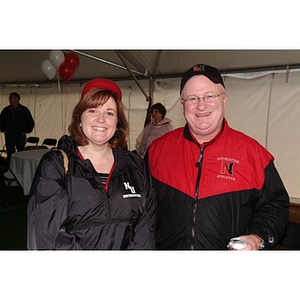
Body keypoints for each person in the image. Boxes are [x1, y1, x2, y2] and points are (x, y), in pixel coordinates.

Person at [146, 63, 289, 250]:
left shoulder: (252, 154)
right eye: (192, 98)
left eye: (209, 96)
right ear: (183, 104)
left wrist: (257, 237)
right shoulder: (157, 150)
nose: (201, 105)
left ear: (224, 100)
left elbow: (276, 205)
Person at [27, 78, 156, 250]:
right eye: (93, 110)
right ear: (79, 119)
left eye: (110, 113)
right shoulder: (57, 166)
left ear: (118, 123)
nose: (101, 119)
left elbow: (146, 230)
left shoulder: (136, 167)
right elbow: (47, 237)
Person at [0, 92, 35, 162]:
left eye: (11, 98)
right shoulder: (6, 110)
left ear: (17, 99)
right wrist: (3, 129)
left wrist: (26, 131)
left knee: (21, 153)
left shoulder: (24, 110)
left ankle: (21, 167)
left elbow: (30, 122)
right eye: (9, 98)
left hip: (20, 135)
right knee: (10, 153)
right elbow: (1, 121)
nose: (9, 100)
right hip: (9, 135)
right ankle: (10, 168)